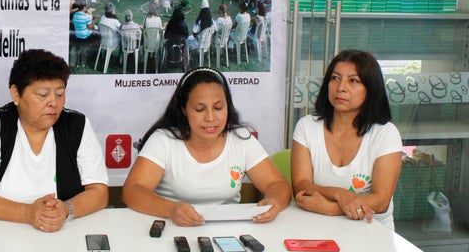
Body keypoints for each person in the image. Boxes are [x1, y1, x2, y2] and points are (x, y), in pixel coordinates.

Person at [0, 49, 109, 232]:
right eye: (43, 94)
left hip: (63, 238)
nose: (53, 102)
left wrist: (67, 210)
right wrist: (27, 213)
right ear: (16, 94)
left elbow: (99, 192)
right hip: (0, 237)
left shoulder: (76, 125)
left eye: (60, 94)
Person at [122, 67, 291, 225]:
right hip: (173, 228)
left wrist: (274, 201)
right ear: (184, 110)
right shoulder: (163, 140)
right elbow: (133, 191)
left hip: (229, 230)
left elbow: (277, 184)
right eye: (199, 109)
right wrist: (171, 209)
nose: (210, 117)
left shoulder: (241, 139)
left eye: (218, 108)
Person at [291, 50, 402, 229]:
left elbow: (381, 201)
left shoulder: (386, 134)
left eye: (353, 81)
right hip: (317, 228)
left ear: (371, 89)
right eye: (335, 78)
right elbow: (301, 186)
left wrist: (331, 208)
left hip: (372, 231)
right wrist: (339, 194)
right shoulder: (307, 126)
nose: (341, 87)